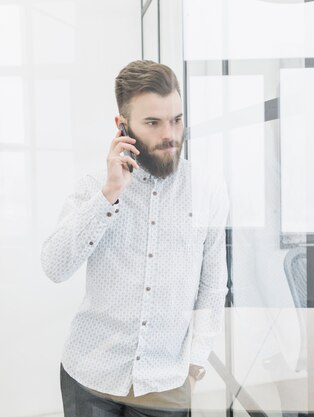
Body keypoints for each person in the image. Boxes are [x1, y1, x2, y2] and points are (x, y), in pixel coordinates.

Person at [41, 60, 229, 417]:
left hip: (166, 384)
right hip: (91, 377)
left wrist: (195, 364)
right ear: (122, 126)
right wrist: (109, 194)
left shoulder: (208, 189)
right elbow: (54, 266)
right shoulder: (94, 186)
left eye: (176, 119)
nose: (170, 135)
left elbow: (213, 285)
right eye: (153, 123)